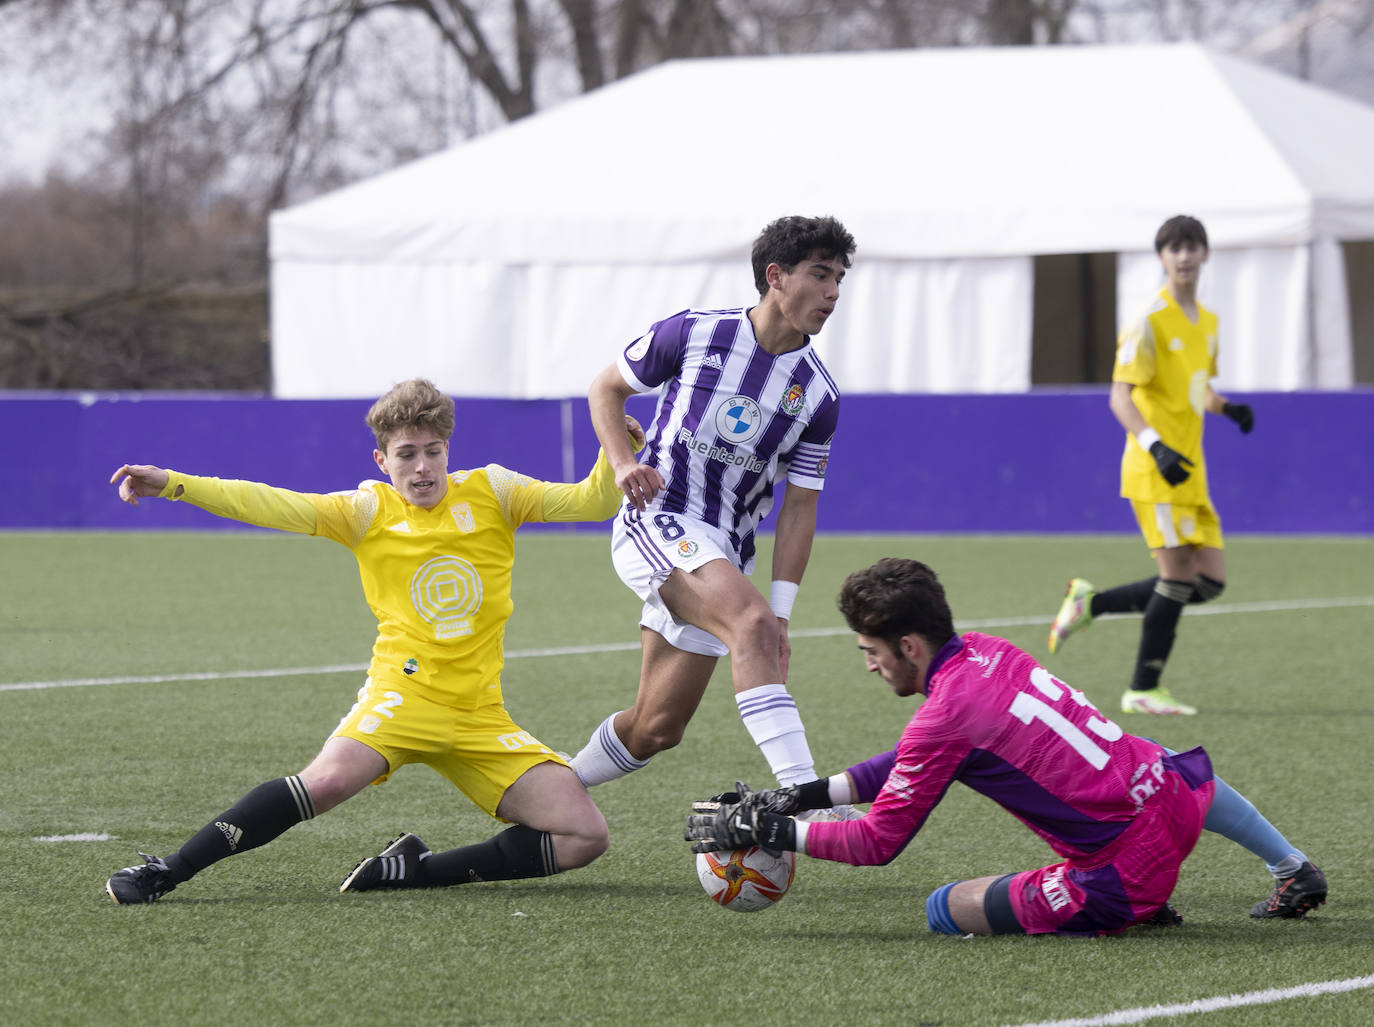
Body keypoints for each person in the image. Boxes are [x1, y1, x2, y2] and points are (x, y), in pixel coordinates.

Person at [105, 377, 644, 904]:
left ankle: (417, 871)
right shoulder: (366, 512)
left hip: (480, 714)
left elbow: (591, 504)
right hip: (403, 697)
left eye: (433, 451)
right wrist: (175, 482)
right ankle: (168, 870)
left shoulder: (495, 492)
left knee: (584, 836)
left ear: (447, 450)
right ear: (382, 462)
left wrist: (619, 452)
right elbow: (268, 502)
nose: (422, 467)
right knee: (328, 781)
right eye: (406, 454)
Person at [685, 557, 1327, 935]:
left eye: (872, 653)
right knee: (1150, 756)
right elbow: (906, 765)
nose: (870, 667)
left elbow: (878, 843)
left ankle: (1132, 905)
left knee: (944, 909)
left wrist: (771, 831)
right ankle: (1292, 867)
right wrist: (806, 794)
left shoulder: (943, 719)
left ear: (909, 646)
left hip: (1122, 870)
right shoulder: (990, 650)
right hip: (1175, 795)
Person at [567, 215, 857, 806]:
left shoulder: (819, 395)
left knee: (656, 728)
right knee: (747, 625)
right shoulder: (694, 333)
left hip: (724, 555)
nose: (832, 293)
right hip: (659, 521)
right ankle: (809, 799)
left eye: (840, 280)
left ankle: (552, 790)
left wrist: (782, 613)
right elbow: (605, 388)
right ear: (775, 276)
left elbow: (801, 506)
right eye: (820, 275)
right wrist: (623, 463)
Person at [1048, 215, 1255, 716]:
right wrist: (1157, 446)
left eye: (1192, 246)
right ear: (1162, 257)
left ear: (1205, 254)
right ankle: (1143, 687)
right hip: (1155, 468)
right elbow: (1120, 397)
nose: (1183, 256)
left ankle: (1089, 604)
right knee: (1179, 576)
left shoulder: (1207, 322)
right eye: (1174, 247)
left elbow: (1194, 386)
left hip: (1191, 470)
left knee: (1209, 582)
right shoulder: (1148, 322)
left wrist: (1225, 407)